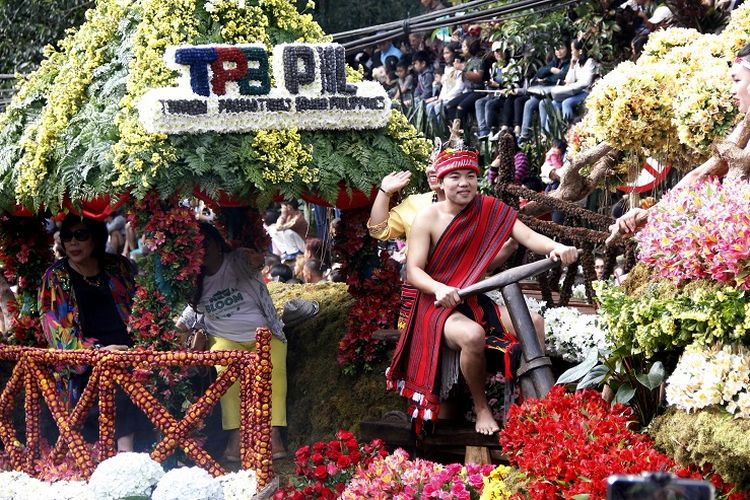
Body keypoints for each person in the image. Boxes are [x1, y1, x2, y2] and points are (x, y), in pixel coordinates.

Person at [386, 149, 578, 436]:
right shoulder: (426, 218)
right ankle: (482, 407)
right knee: (473, 335)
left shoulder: (489, 208)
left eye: (470, 176)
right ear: (440, 182)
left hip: (473, 299)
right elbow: (414, 271)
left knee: (534, 322)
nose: (464, 183)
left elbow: (525, 235)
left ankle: (535, 403)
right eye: (455, 177)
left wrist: (556, 247)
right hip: (436, 306)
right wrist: (440, 288)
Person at [609, 43, 750, 241]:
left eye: (737, 80)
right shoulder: (743, 128)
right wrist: (649, 214)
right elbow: (701, 174)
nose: (732, 90)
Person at [178, 223, 287, 461]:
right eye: (195, 246)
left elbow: (255, 261)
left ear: (217, 244)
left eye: (205, 244)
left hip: (264, 335)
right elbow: (184, 321)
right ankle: (236, 436)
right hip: (226, 341)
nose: (202, 250)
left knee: (273, 373)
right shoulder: (195, 282)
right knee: (227, 375)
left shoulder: (237, 260)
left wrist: (257, 258)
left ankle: (274, 434)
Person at [39, 214, 142, 452]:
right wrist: (97, 353)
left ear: (95, 238)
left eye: (81, 235)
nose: (73, 243)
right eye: (67, 237)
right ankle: (125, 456)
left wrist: (146, 341)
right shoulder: (57, 277)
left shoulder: (118, 266)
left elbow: (141, 307)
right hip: (86, 360)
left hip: (131, 349)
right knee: (114, 376)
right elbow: (57, 332)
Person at [539, 39, 599, 133]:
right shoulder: (577, 62)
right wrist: (572, 65)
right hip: (575, 91)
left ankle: (570, 131)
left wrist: (572, 86)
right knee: (554, 103)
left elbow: (586, 82)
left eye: (572, 50)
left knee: (566, 102)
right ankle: (548, 134)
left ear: (580, 51)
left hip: (586, 92)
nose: (571, 52)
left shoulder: (590, 62)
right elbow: (569, 80)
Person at [519, 41, 571, 142]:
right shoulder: (555, 62)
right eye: (556, 49)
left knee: (543, 104)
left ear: (568, 49)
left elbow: (561, 76)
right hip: (543, 92)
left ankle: (544, 135)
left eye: (561, 48)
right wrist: (551, 69)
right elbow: (540, 73)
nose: (558, 52)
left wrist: (547, 79)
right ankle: (524, 135)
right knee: (529, 103)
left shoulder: (569, 63)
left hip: (555, 95)